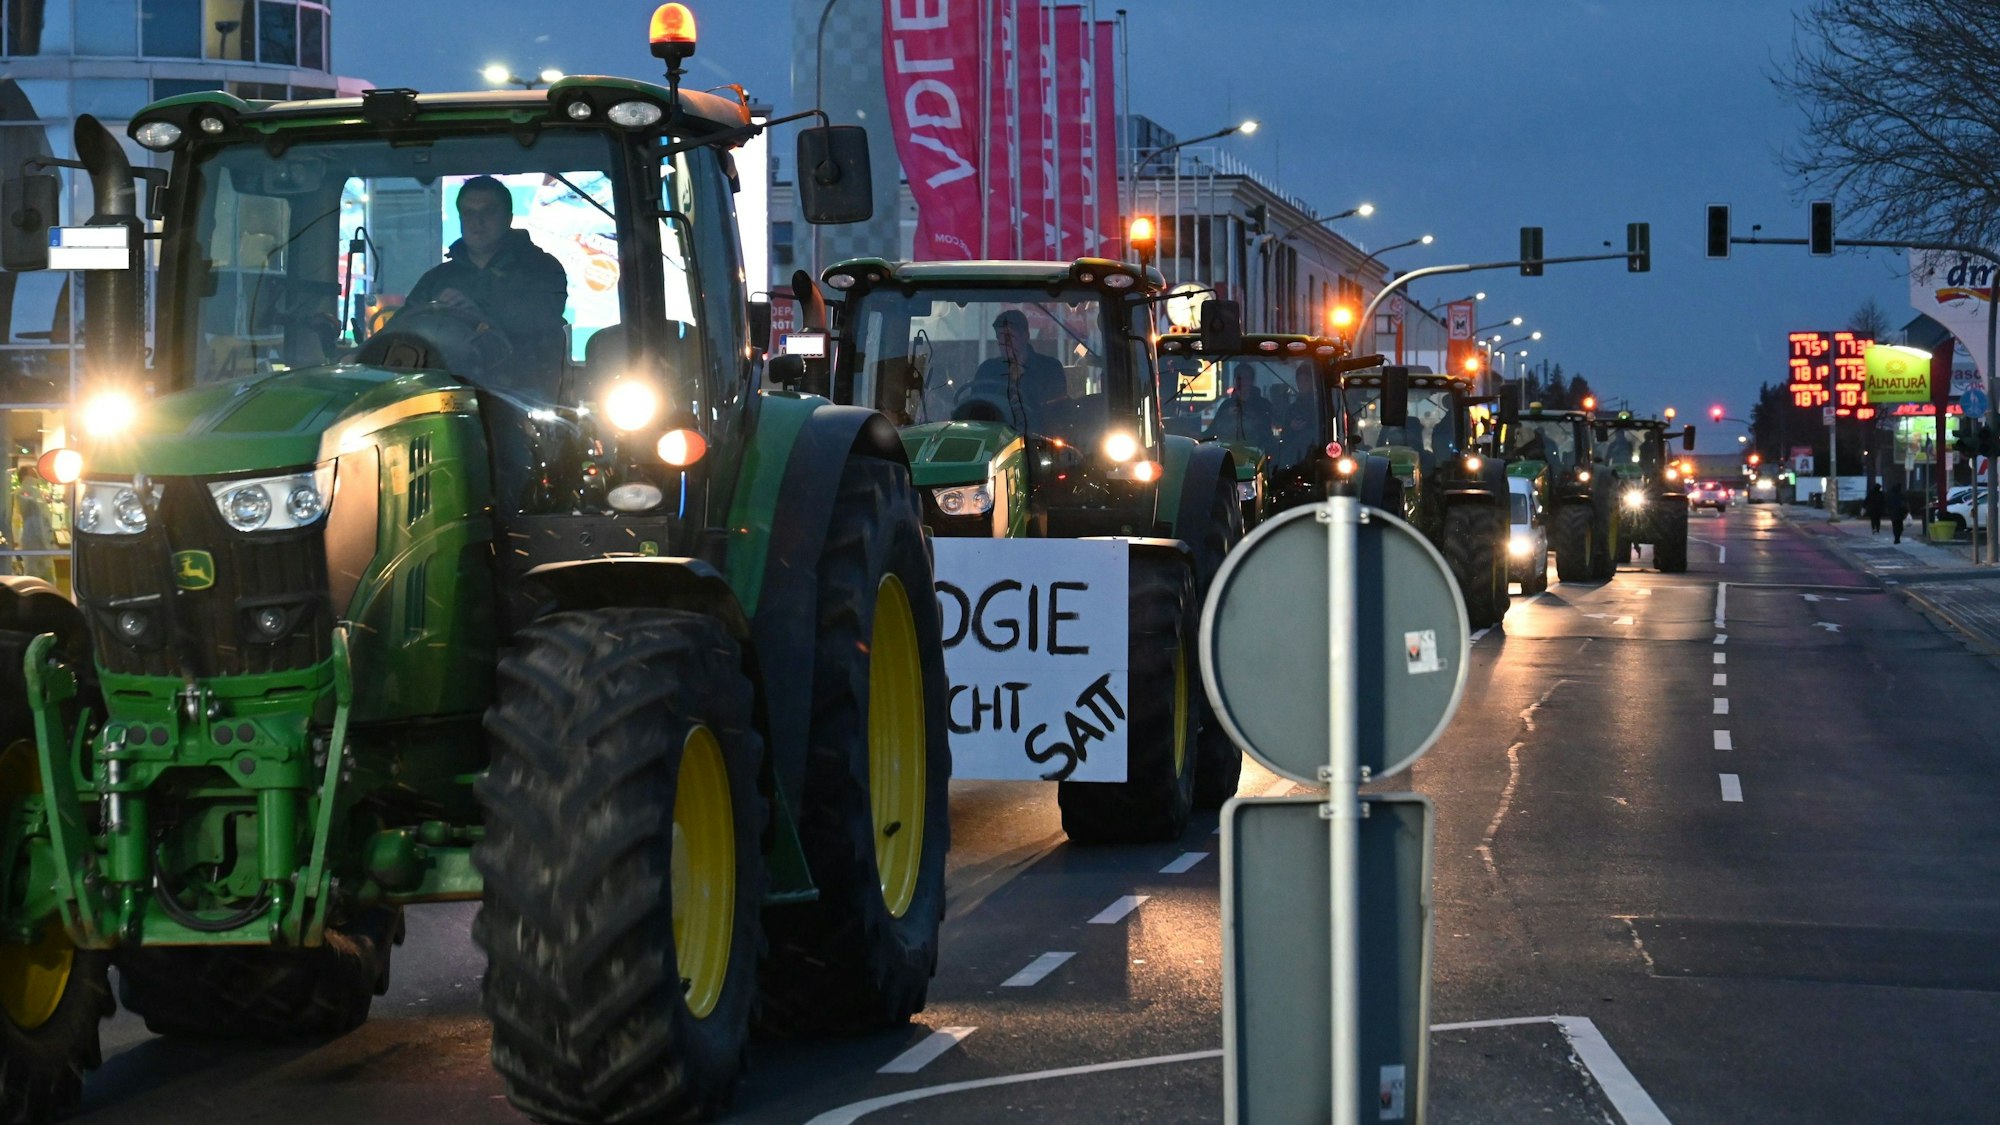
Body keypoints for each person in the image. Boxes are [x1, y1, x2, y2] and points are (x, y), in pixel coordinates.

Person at [403, 176, 569, 392]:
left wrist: (475, 313)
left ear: (508, 218)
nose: (477, 222)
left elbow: (540, 320)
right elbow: (404, 324)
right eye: (469, 213)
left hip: (524, 395)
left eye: (488, 212)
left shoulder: (542, 269)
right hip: (449, 393)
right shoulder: (437, 279)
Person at [958, 309, 1069, 433]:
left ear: (1025, 336)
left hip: (1038, 438)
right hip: (993, 436)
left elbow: (1058, 412)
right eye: (999, 338)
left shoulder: (1050, 369)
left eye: (1009, 337)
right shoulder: (987, 370)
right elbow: (976, 408)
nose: (1003, 344)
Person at [1206, 365, 1275, 442]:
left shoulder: (1264, 405)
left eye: (1247, 378)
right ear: (1235, 380)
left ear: (1252, 381)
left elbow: (1272, 429)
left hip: (1258, 447)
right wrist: (1226, 415)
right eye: (1239, 378)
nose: (1243, 382)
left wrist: (1255, 418)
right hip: (1229, 447)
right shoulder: (1226, 405)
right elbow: (1211, 432)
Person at [1886, 478, 1908, 544]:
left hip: (1893, 513)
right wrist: (1906, 512)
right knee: (1900, 526)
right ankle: (1897, 537)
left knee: (1895, 526)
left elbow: (1888, 504)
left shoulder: (1890, 496)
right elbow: (1905, 504)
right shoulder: (1901, 495)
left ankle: (1896, 537)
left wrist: (1889, 511)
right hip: (1900, 513)